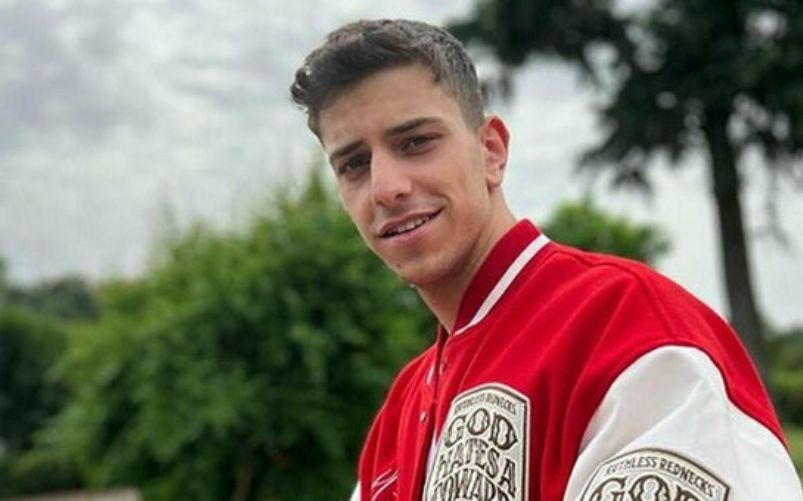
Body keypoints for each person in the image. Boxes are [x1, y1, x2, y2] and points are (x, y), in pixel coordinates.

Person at [290, 19, 802, 501]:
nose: (385, 188)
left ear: (491, 151)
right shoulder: (401, 412)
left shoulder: (625, 327)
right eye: (354, 164)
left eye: (416, 142)